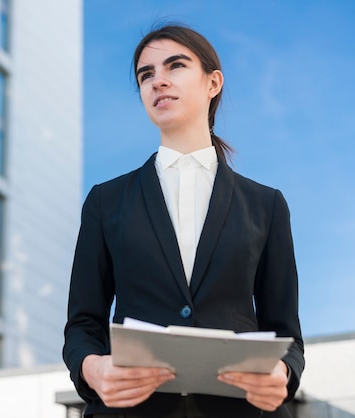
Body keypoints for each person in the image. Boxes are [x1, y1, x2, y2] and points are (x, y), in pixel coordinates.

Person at [63, 24, 304, 417]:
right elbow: (82, 325)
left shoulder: (266, 205)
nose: (158, 81)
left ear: (213, 83)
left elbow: (287, 335)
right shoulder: (106, 201)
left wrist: (282, 372)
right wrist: (94, 368)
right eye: (146, 75)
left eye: (175, 66)